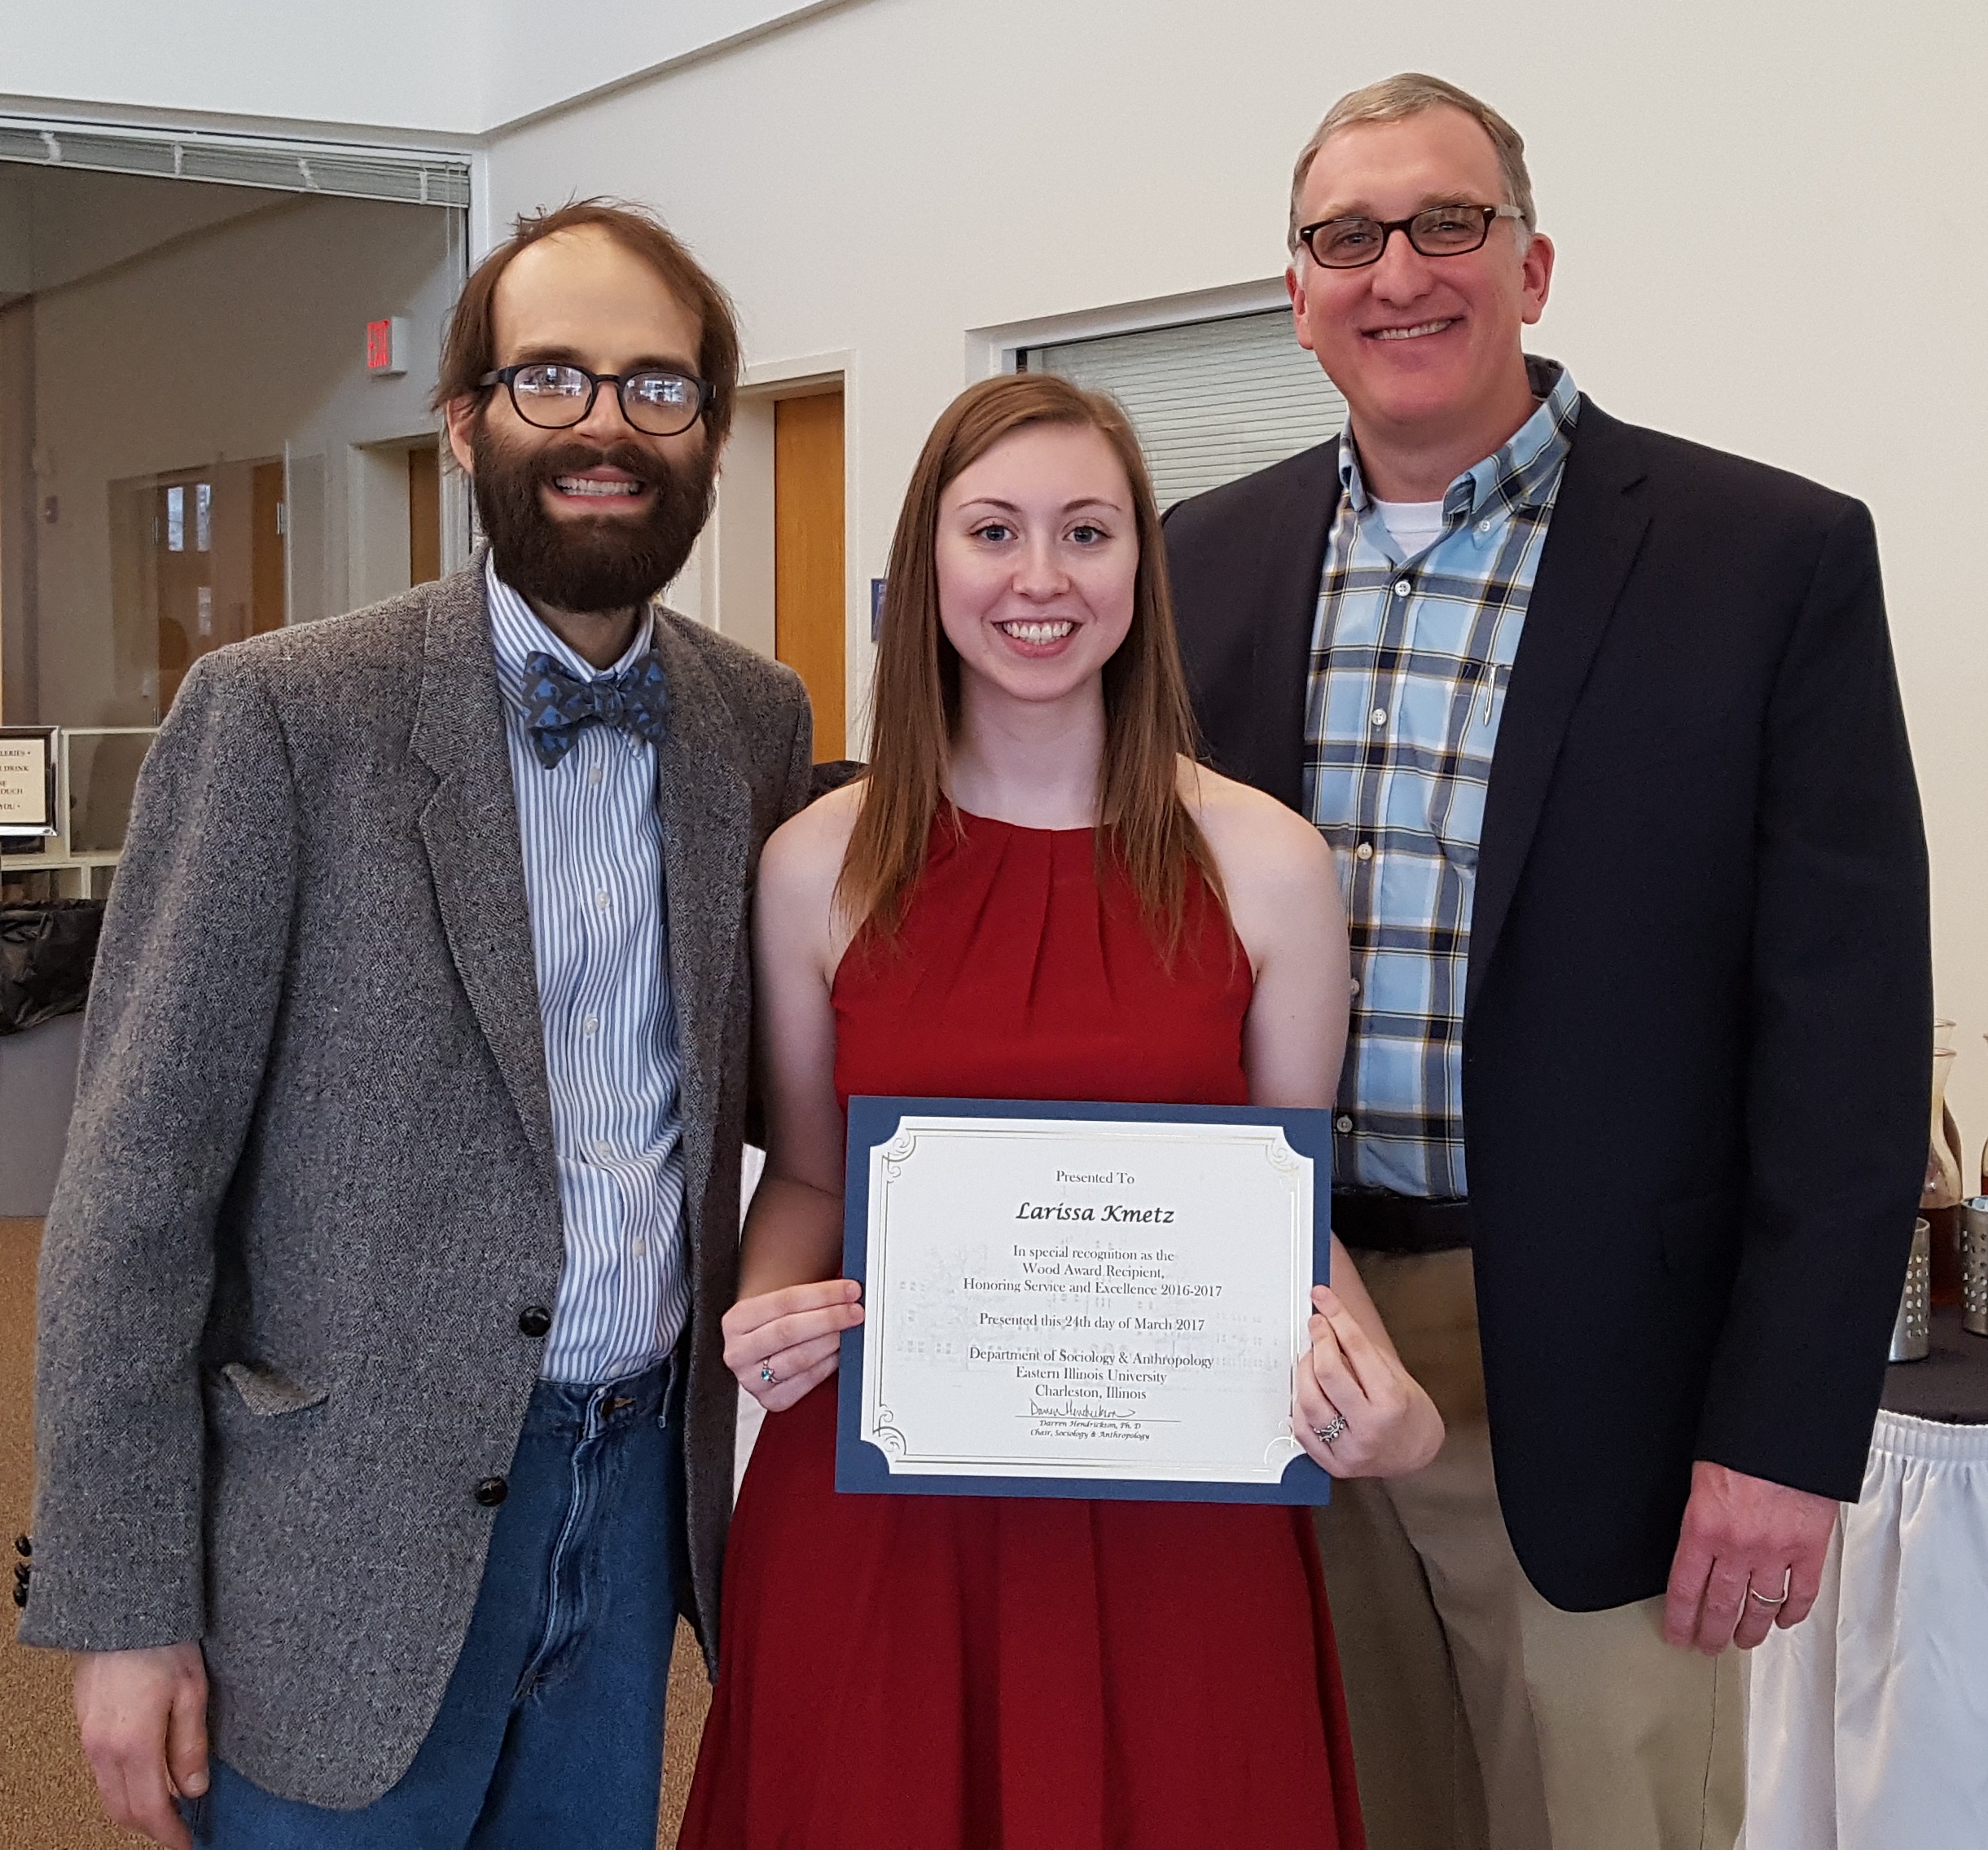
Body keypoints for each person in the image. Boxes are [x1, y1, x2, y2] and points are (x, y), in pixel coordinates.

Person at [1162, 72, 1930, 1850]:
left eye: (1449, 221)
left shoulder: (1768, 558)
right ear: (1296, 292)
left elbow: (1848, 1035)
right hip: (1288, 1331)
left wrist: (1788, 1431)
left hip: (1608, 1378)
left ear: (1535, 262)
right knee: (1333, 1807)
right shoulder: (1205, 563)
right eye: (1346, 235)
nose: (1399, 269)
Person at [20, 201, 813, 1849]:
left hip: (632, 1496)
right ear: (465, 426)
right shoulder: (283, 714)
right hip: (338, 1521)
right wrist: (118, 1599)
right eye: (552, 377)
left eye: (657, 386)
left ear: (713, 436)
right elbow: (131, 1196)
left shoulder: (757, 720)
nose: (607, 422)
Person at [677, 371, 1444, 1850]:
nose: (1040, 579)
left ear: (1139, 573)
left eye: (1087, 532)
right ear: (930, 564)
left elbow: (1281, 1216)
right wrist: (763, 1315)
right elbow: (814, 1182)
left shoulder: (1265, 864)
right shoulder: (814, 864)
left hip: (1182, 1523)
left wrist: (1388, 1405)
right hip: (883, 1506)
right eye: (994, 531)